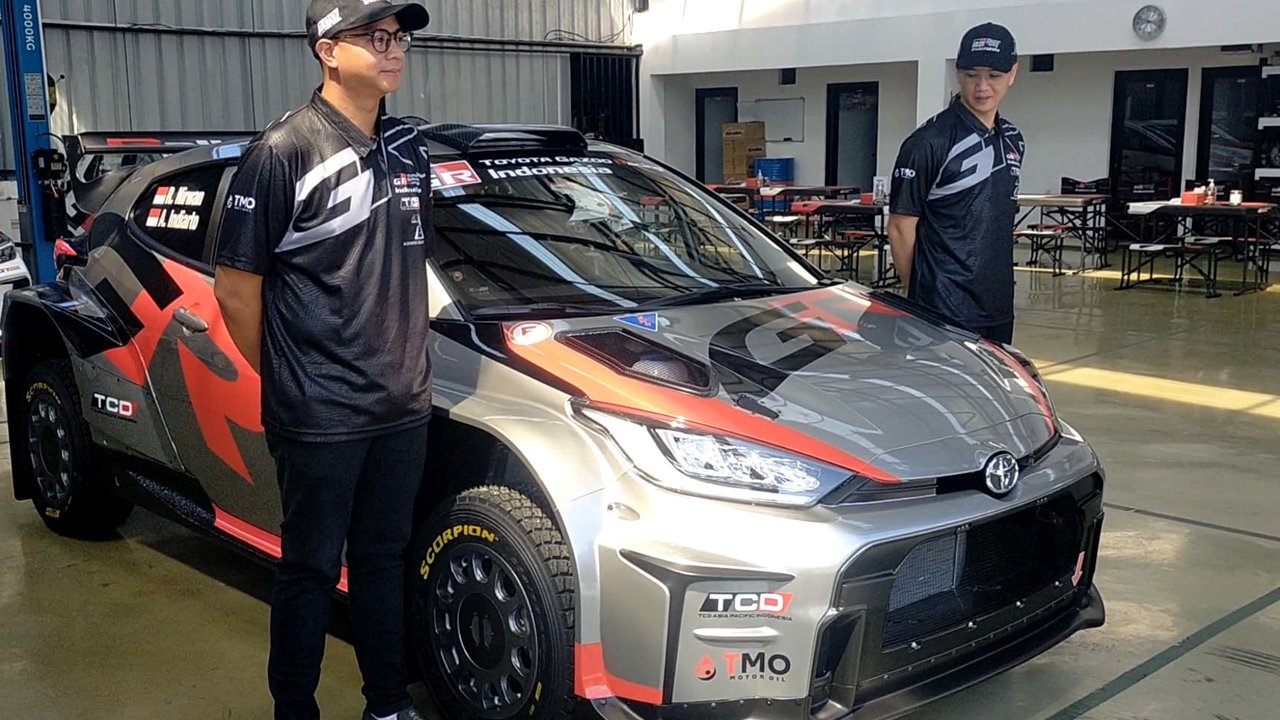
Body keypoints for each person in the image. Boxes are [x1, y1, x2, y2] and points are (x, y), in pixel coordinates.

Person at [212, 1, 434, 719]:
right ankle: (295, 709)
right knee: (309, 567)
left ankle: (387, 704)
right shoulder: (283, 152)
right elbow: (236, 288)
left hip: (402, 404)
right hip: (319, 413)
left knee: (382, 560)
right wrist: (288, 376)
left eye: (399, 38)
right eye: (376, 37)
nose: (394, 50)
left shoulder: (409, 149)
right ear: (328, 50)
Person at [886, 22, 1026, 345]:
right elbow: (900, 228)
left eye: (994, 75)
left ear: (1012, 74)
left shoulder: (1013, 140)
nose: (982, 86)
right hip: (942, 308)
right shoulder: (928, 142)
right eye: (971, 74)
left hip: (998, 306)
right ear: (958, 74)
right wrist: (920, 298)